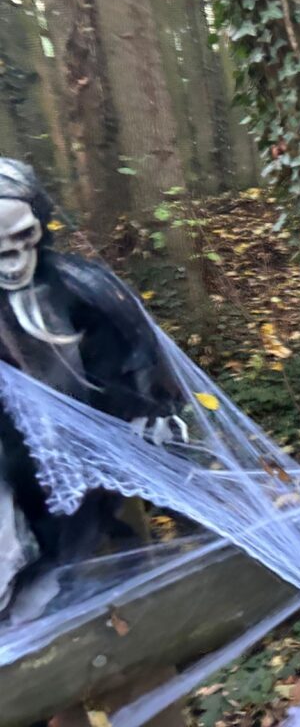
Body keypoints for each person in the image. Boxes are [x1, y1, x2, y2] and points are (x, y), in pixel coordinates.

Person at [0, 159, 185, 620]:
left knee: (92, 559)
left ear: (40, 225)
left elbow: (134, 353)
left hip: (89, 451)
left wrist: (150, 408)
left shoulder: (78, 288)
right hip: (15, 460)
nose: (12, 259)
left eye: (22, 238)